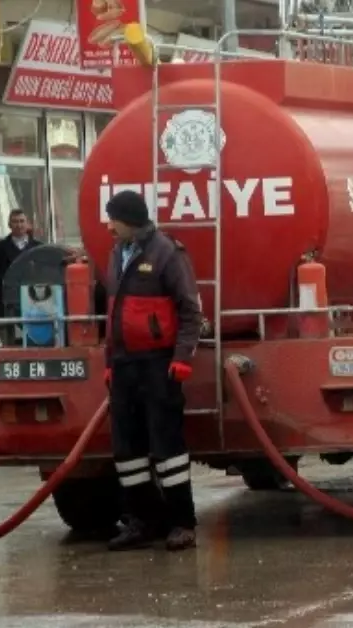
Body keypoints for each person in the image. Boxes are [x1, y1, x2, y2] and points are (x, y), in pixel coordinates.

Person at [102, 190, 203, 551]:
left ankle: (181, 523)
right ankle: (142, 521)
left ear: (130, 219)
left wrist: (181, 358)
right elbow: (112, 315)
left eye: (112, 218)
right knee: (126, 449)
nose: (108, 225)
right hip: (125, 365)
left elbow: (191, 311)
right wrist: (109, 363)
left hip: (159, 364)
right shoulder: (116, 255)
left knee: (167, 447)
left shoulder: (166, 253)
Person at [0, 208, 42, 311]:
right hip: (8, 305)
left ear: (27, 224)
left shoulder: (39, 247)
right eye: (15, 222)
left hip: (35, 304)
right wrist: (3, 291)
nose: (19, 225)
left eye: (21, 221)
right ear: (9, 225)